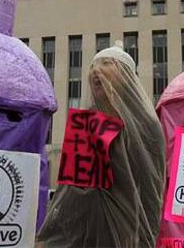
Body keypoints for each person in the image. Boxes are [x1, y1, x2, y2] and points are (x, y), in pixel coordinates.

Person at [37, 41, 166, 247]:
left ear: (126, 76)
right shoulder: (88, 124)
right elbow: (70, 193)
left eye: (106, 63)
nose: (96, 71)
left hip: (128, 236)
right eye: (93, 66)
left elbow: (151, 191)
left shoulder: (146, 127)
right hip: (84, 236)